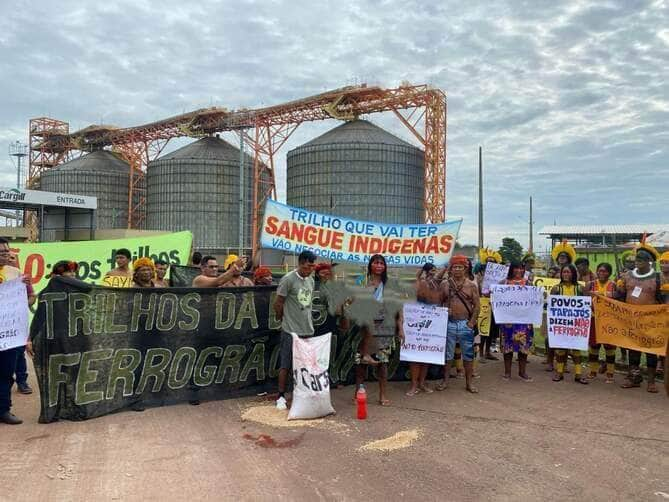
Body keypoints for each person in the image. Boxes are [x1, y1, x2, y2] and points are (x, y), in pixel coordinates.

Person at [352, 254, 404, 406]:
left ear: (385, 266)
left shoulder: (390, 284)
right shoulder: (362, 281)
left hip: (384, 328)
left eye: (382, 263)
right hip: (364, 327)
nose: (379, 266)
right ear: (370, 265)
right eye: (376, 263)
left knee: (383, 363)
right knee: (361, 365)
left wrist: (400, 327)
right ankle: (358, 394)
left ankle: (382, 395)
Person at [617, 240, 662, 393]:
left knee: (650, 352)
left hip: (651, 322)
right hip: (631, 320)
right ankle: (634, 378)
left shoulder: (658, 278)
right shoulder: (627, 276)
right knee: (633, 351)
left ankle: (651, 381)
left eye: (641, 260)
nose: (638, 262)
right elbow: (620, 296)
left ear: (649, 261)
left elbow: (663, 300)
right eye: (637, 260)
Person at [274, 250, 316, 410]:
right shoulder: (288, 279)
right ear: (300, 263)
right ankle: (280, 396)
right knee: (286, 363)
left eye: (312, 266)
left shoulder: (311, 281)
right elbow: (278, 302)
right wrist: (282, 320)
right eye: (307, 266)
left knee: (305, 364)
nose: (309, 269)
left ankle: (301, 394)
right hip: (290, 330)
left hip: (307, 330)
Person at [0, 237, 34, 424]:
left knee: (6, 372)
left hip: (9, 334)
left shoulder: (16, 273)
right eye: (2, 253)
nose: (6, 255)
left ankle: (3, 410)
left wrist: (22, 303)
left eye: (7, 251)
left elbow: (31, 297)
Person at [437, 255, 480, 394]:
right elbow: (438, 302)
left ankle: (469, 383)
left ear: (465, 269)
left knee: (468, 354)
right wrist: (444, 311)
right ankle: (445, 381)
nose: (457, 270)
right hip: (449, 323)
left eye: (460, 267)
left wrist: (471, 323)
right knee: (447, 355)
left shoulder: (471, 286)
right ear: (451, 268)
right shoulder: (445, 285)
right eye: (455, 267)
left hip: (465, 323)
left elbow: (477, 306)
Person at [406, 263, 444, 396]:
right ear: (426, 271)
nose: (434, 272)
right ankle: (414, 384)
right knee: (414, 355)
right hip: (417, 320)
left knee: (426, 354)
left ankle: (422, 383)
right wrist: (422, 270)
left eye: (435, 270)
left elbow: (442, 274)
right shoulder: (419, 282)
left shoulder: (437, 283)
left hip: (432, 321)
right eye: (432, 270)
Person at [550, 264, 588, 384]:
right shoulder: (556, 289)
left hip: (576, 324)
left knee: (577, 351)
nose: (566, 274)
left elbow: (586, 306)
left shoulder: (580, 289)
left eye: (568, 272)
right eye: (564, 272)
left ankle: (578, 374)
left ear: (573, 274)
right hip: (561, 324)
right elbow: (552, 307)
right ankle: (559, 372)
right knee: (560, 350)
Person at [499, 262, 534, 381]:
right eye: (516, 268)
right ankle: (507, 372)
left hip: (524, 320)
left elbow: (535, 299)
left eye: (521, 268)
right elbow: (495, 295)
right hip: (508, 320)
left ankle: (522, 372)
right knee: (507, 346)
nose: (519, 271)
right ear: (511, 270)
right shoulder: (503, 283)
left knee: (523, 347)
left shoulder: (529, 283)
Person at [8, 252, 37, 396]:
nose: (10, 259)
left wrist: (21, 304)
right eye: (7, 256)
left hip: (15, 322)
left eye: (13, 258)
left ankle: (22, 381)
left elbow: (32, 296)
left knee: (19, 352)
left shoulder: (21, 276)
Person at [584, 262, 617, 383]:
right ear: (597, 271)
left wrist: (604, 295)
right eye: (600, 271)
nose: (602, 273)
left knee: (610, 348)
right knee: (593, 346)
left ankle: (610, 373)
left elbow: (618, 298)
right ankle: (593, 371)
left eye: (605, 271)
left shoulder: (614, 285)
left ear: (609, 273)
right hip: (593, 318)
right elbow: (584, 299)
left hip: (609, 320)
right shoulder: (590, 284)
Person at [477, 248, 503, 362]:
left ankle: (488, 352)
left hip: (495, 307)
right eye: (489, 261)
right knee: (483, 330)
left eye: (493, 261)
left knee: (492, 330)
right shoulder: (480, 277)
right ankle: (481, 353)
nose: (491, 263)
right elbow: (477, 292)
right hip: (483, 306)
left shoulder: (500, 278)